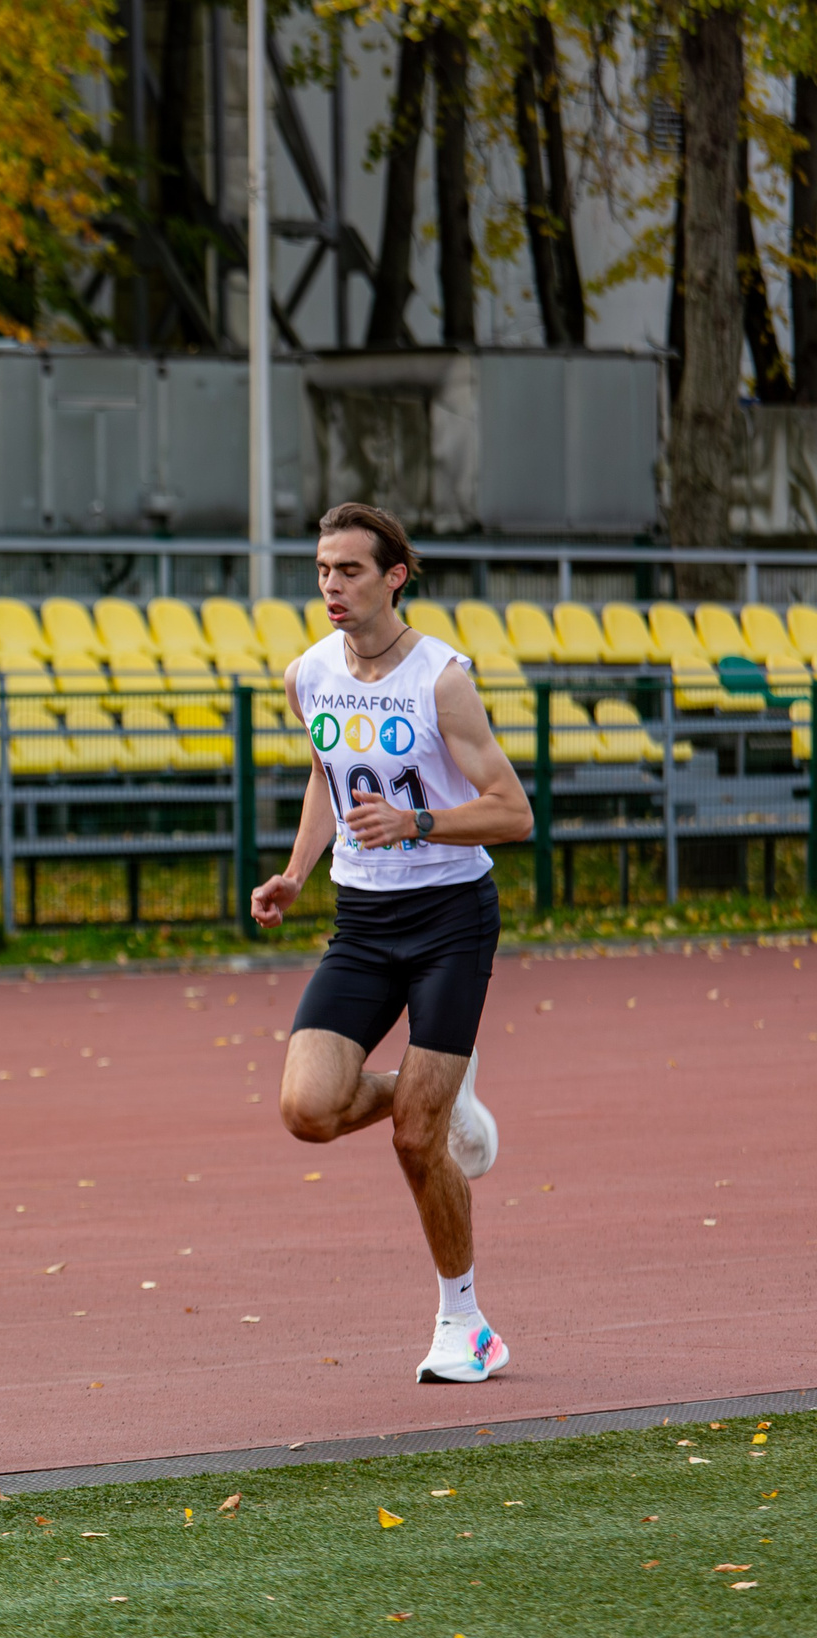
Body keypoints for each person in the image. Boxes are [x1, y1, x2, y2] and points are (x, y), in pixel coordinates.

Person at [253, 502, 534, 1384]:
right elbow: (324, 776)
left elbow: (513, 812)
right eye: (323, 571)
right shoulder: (308, 675)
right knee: (307, 1109)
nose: (332, 587)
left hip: (451, 916)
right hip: (362, 924)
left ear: (394, 576)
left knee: (416, 1137)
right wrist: (298, 870)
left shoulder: (441, 678)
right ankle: (447, 1094)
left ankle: (467, 1324)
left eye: (351, 571)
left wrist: (415, 819)